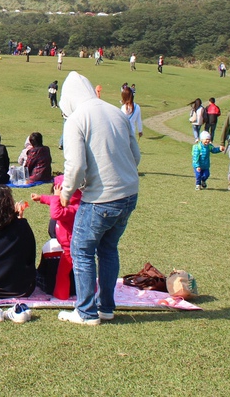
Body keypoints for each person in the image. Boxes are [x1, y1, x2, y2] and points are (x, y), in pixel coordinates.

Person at [57, 71, 140, 326]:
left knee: (81, 250)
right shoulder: (117, 112)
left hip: (101, 199)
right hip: (129, 193)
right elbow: (135, 156)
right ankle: (106, 308)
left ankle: (86, 312)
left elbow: (76, 165)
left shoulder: (76, 120)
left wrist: (66, 192)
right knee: (108, 249)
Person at [31, 175, 80, 299]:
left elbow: (56, 213)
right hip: (69, 245)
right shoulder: (74, 203)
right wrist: (41, 198)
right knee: (80, 271)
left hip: (71, 247)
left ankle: (62, 295)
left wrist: (56, 197)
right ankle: (89, 292)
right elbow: (54, 201)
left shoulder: (73, 209)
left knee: (63, 273)